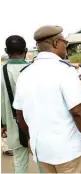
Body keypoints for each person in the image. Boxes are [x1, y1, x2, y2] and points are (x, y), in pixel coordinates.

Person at [13, 25, 81, 173]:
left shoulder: (25, 74)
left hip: (41, 150)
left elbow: (19, 114)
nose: (66, 45)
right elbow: (79, 112)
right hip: (67, 152)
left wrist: (30, 138)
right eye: (65, 42)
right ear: (56, 43)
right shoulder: (65, 71)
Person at [1, 35, 29, 173]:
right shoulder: (33, 70)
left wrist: (2, 124)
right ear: (26, 50)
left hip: (13, 124)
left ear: (6, 50)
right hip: (36, 125)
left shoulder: (1, 72)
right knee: (43, 161)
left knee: (19, 163)